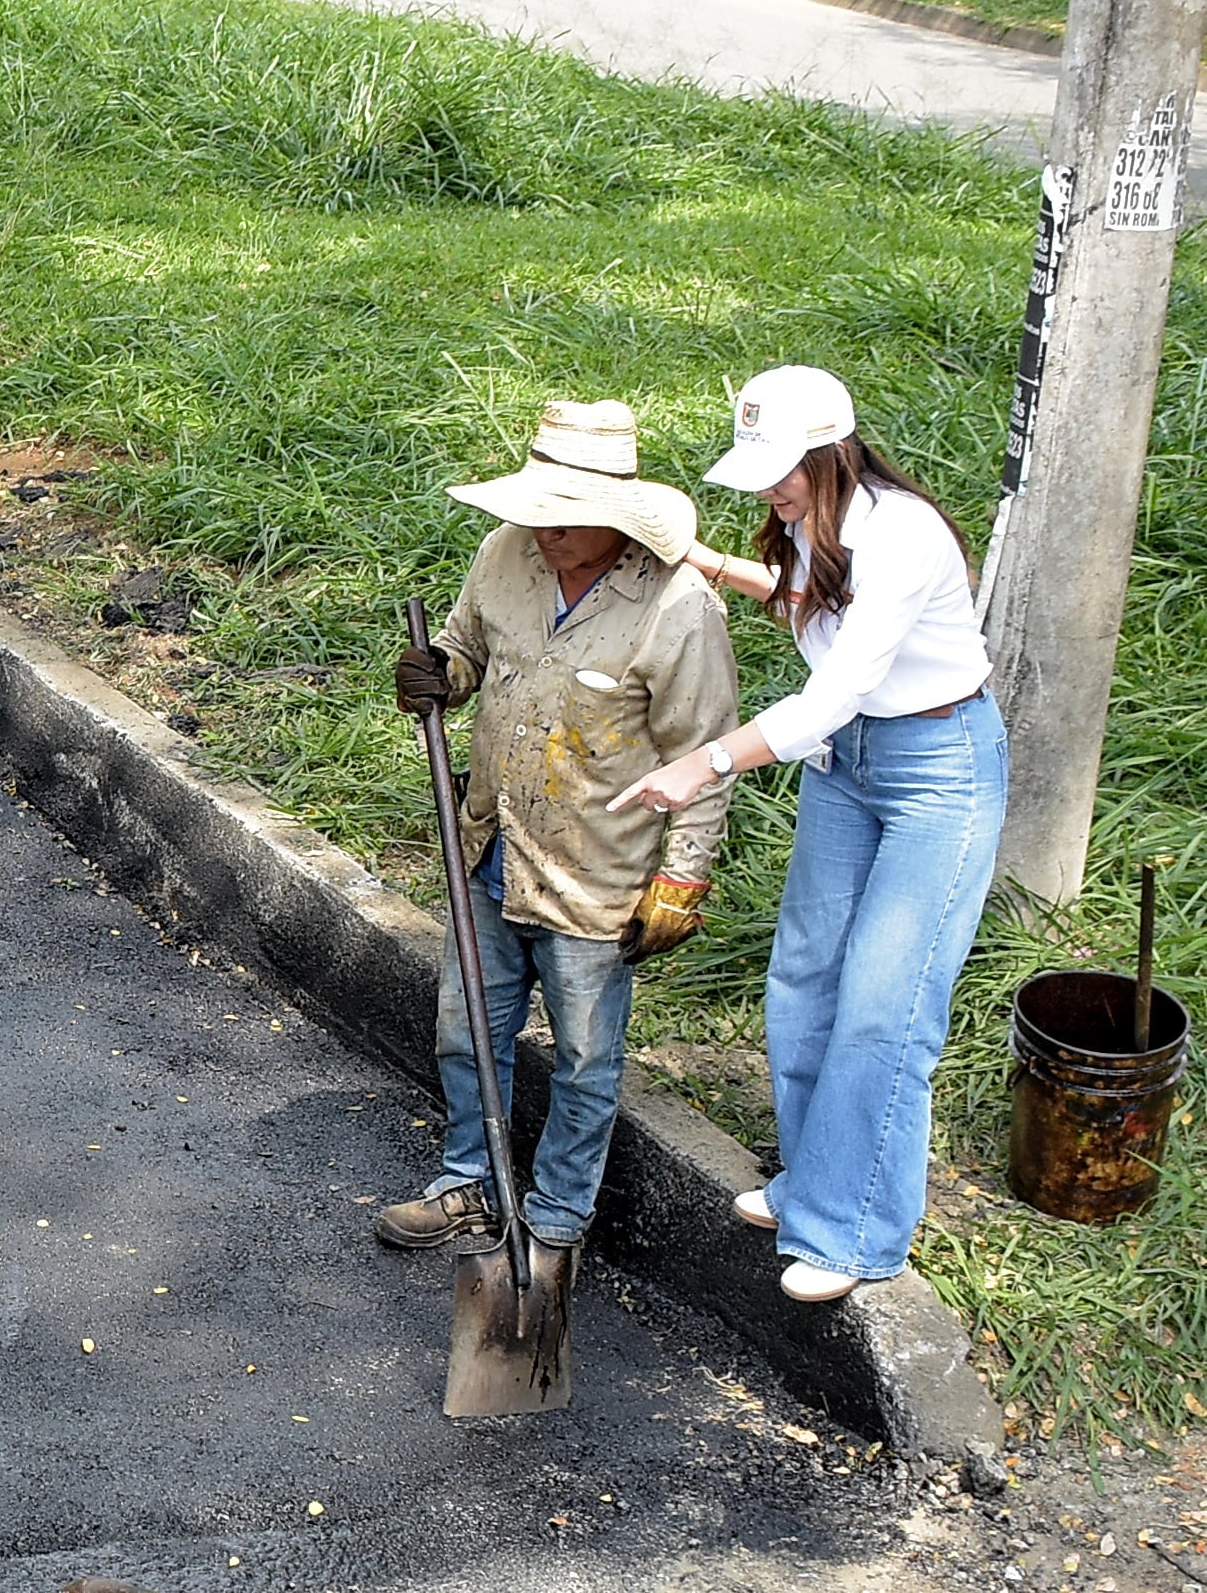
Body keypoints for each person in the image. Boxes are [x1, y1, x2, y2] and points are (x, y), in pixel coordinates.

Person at [611, 366, 1003, 1304]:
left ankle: (858, 1232)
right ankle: (814, 1187)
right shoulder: (807, 521)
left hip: (935, 767)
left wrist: (703, 764)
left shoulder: (902, 535)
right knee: (805, 975)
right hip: (847, 763)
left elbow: (839, 686)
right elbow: (804, 604)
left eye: (783, 471)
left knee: (886, 1004)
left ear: (833, 450)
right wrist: (702, 559)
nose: (772, 491)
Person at [376, 401, 740, 1256]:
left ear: (618, 518)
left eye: (567, 520)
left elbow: (707, 754)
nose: (546, 533)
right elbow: (468, 649)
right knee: (467, 1030)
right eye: (537, 514)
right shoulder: (506, 554)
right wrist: (441, 674)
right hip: (490, 843)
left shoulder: (679, 607)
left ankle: (558, 1215)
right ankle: (469, 1180)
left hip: (597, 871)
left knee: (583, 1059)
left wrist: (682, 876)